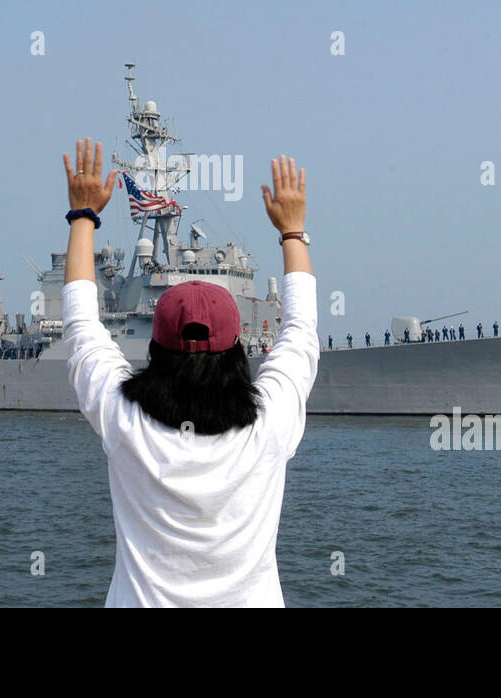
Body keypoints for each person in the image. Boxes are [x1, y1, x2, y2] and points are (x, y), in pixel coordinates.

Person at [61, 140, 317, 607]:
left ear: (156, 347)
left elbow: (80, 326)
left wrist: (83, 215)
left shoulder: (123, 419)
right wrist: (292, 232)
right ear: (237, 349)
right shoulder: (271, 424)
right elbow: (300, 331)